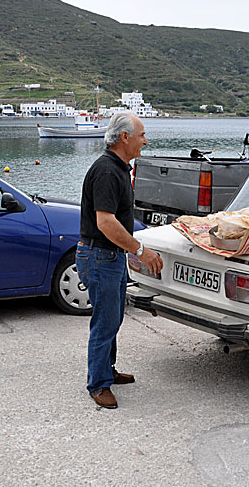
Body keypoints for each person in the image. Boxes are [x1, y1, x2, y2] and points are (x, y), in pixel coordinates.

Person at [76, 112, 163, 409]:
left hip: (109, 256)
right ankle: (98, 384)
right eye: (141, 135)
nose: (145, 141)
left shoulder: (119, 168)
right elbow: (106, 223)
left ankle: (106, 371)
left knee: (113, 318)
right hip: (100, 256)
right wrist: (141, 250)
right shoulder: (106, 171)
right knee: (105, 321)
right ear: (124, 137)